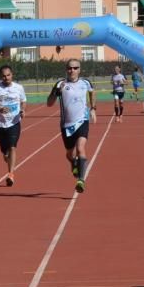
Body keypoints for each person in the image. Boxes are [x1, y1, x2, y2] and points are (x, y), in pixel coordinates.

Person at [47, 60, 96, 193]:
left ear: (79, 69)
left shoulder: (86, 82)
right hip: (66, 125)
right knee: (70, 153)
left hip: (82, 121)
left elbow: (92, 92)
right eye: (70, 68)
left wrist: (93, 108)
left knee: (81, 148)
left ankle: (81, 180)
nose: (72, 70)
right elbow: (49, 103)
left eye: (75, 68)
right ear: (66, 69)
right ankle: (74, 163)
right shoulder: (60, 84)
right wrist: (56, 92)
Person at [0, 65, 26, 187]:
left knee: (13, 147)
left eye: (8, 75)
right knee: (6, 153)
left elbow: (23, 101)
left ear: (12, 75)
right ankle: (8, 159)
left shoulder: (19, 88)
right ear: (0, 76)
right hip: (0, 125)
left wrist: (23, 110)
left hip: (14, 123)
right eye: (3, 75)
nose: (6, 77)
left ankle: (10, 174)